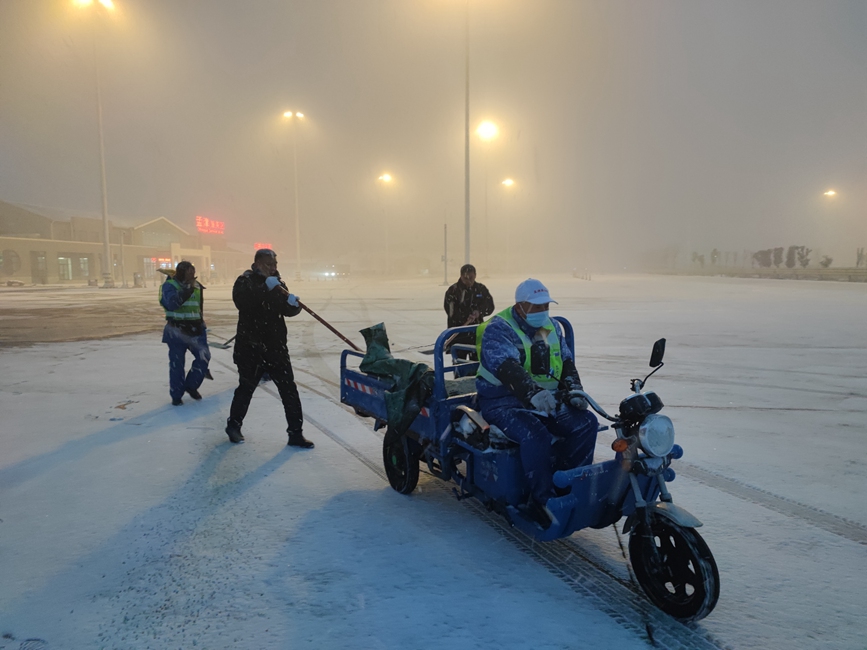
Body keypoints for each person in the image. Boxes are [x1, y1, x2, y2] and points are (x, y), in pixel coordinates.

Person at [475, 278, 597, 528]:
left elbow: (566, 361)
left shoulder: (551, 327)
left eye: (545, 306)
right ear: (520, 307)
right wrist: (532, 393)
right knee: (535, 434)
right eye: (536, 307)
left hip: (544, 399)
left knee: (586, 424)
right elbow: (506, 368)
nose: (543, 312)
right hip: (501, 401)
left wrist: (574, 388)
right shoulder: (499, 328)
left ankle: (566, 483)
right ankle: (541, 500)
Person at [225, 249, 314, 448]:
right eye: (268, 264)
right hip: (250, 348)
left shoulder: (277, 283)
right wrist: (265, 288)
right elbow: (243, 303)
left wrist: (293, 305)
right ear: (256, 264)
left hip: (276, 348)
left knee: (289, 391)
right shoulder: (244, 282)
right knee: (246, 389)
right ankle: (233, 426)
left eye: (274, 264)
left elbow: (285, 310)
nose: (272, 268)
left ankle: (296, 433)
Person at [158, 261, 211, 406]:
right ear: (180, 273)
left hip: (195, 330)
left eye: (193, 273)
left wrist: (201, 324)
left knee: (204, 358)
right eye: (189, 273)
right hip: (176, 330)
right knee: (177, 364)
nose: (192, 276)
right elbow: (172, 304)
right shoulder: (169, 286)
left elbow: (199, 307)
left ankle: (191, 385)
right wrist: (187, 289)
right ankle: (176, 394)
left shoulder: (196, 286)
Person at [442, 264, 495, 357]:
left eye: (471, 277)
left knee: (475, 364)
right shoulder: (453, 291)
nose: (469, 281)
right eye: (466, 278)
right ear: (461, 276)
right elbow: (451, 312)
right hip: (458, 334)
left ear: (475, 275)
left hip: (476, 334)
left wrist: (479, 312)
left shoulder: (481, 289)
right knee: (459, 365)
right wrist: (466, 316)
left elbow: (490, 306)